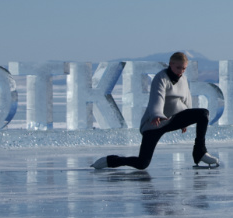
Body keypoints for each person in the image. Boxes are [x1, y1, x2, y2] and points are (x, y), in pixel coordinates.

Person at [91, 52, 219, 170]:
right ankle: (110, 161)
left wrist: (186, 120)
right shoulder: (161, 78)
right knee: (142, 163)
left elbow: (186, 100)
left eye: (184, 68)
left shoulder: (183, 79)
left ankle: (200, 152)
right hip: (154, 123)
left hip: (173, 119)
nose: (181, 71)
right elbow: (157, 98)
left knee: (203, 114)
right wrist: (157, 114)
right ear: (171, 64)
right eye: (178, 68)